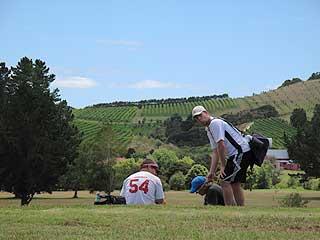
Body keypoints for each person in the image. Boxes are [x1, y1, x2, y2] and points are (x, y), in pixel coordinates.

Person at [192, 105, 254, 206]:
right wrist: (211, 172)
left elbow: (221, 145)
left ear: (206, 113)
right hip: (239, 152)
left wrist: (223, 166)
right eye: (196, 118)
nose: (199, 118)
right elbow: (215, 152)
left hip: (240, 151)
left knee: (224, 180)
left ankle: (230, 208)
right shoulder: (209, 130)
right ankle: (239, 208)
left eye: (200, 115)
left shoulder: (215, 123)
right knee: (234, 182)